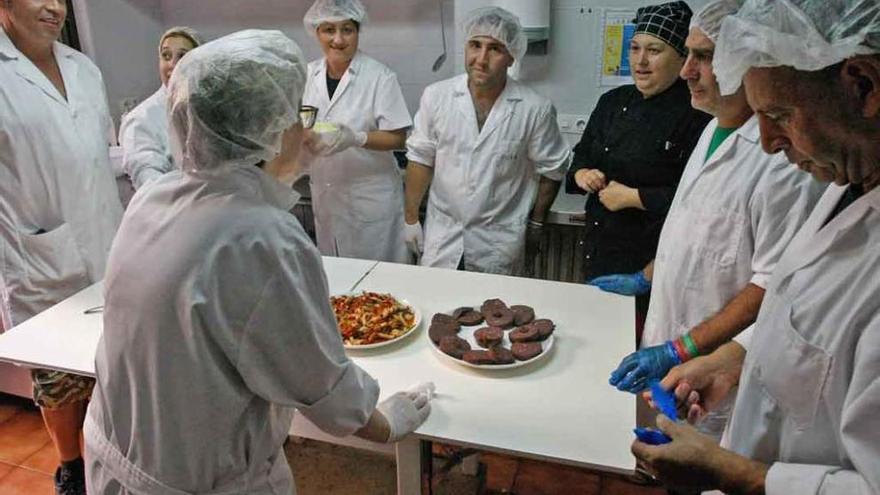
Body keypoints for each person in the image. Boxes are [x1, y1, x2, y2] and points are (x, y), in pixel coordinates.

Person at [84, 30, 433, 495]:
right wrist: (384, 423)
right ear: (268, 129)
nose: (307, 131)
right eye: (299, 117)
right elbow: (323, 387)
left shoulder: (155, 196)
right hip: (195, 482)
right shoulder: (261, 238)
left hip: (113, 457)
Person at [630, 1, 880, 493]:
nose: (766, 142)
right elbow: (805, 317)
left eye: (781, 114)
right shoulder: (844, 186)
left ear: (863, 86)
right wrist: (736, 359)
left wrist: (737, 474)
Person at [608, 0, 825, 412]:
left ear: (749, 63)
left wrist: (680, 348)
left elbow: (771, 283)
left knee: (704, 467)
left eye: (704, 58)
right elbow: (695, 233)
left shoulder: (782, 160)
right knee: (660, 449)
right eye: (689, 55)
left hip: (715, 373)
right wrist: (645, 277)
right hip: (670, 335)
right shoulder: (711, 129)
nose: (687, 71)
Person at [0, 1, 123, 493]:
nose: (54, 7)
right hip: (36, 252)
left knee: (113, 363)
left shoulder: (84, 68)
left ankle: (111, 452)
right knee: (57, 379)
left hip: (108, 244)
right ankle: (71, 465)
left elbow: (96, 152)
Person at [570, 1, 711, 342]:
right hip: (600, 251)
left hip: (653, 267)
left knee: (637, 350)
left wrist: (635, 198)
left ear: (682, 58)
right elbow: (580, 157)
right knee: (595, 344)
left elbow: (701, 201)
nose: (640, 61)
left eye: (654, 50)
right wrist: (582, 174)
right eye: (634, 48)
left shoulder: (697, 113)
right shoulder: (611, 102)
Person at [404, 6, 571, 275]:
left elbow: (553, 169)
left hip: (498, 242)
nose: (481, 58)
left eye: (495, 49)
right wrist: (411, 218)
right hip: (443, 236)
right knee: (438, 309)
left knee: (495, 314)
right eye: (475, 45)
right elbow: (420, 158)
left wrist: (536, 224)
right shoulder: (437, 96)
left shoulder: (534, 108)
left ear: (511, 57)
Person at [301, 0, 412, 263]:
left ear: (358, 32)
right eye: (329, 29)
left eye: (347, 30)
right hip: (326, 198)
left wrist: (356, 138)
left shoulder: (379, 77)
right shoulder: (306, 75)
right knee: (339, 283)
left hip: (370, 201)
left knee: (380, 284)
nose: (338, 40)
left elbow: (398, 138)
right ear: (316, 32)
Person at [118, 26, 201, 190]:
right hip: (172, 210)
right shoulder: (141, 119)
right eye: (166, 56)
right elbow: (149, 183)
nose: (172, 64)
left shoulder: (203, 108)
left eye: (182, 56)